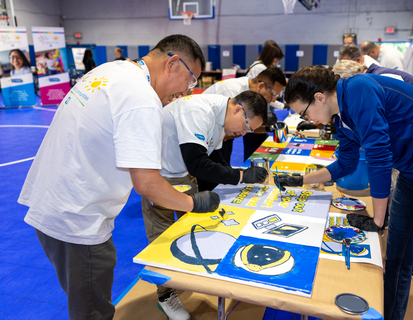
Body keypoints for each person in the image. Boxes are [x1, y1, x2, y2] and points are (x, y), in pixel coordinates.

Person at [18, 34, 221, 320]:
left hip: (52, 204)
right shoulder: (141, 96)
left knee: (85, 302)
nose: (187, 92)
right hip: (79, 219)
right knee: (93, 311)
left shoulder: (110, 70)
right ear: (173, 63)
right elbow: (148, 184)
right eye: (190, 81)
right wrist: (193, 203)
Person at [275, 65, 413, 320]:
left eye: (304, 113)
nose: (310, 120)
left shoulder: (359, 89)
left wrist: (378, 220)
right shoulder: (342, 118)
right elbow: (346, 164)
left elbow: (379, 157)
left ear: (319, 97)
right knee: (395, 260)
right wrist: (300, 180)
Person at [141, 91, 268, 319]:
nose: (242, 134)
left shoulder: (221, 119)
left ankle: (191, 273)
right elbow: (198, 163)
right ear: (238, 109)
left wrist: (239, 179)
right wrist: (239, 176)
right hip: (158, 176)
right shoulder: (199, 110)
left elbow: (214, 159)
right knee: (162, 234)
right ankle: (165, 295)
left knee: (194, 227)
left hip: (182, 173)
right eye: (246, 127)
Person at [333, 59, 413, 281]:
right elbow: (354, 157)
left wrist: (378, 220)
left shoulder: (366, 84)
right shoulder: (366, 82)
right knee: (400, 209)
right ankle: (409, 260)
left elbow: (379, 152)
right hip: (412, 147)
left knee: (407, 206)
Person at [203, 67, 286, 167]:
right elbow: (227, 134)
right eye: (273, 94)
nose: (273, 100)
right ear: (261, 86)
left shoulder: (248, 92)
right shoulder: (233, 92)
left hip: (218, 139)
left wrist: (265, 128)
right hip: (207, 140)